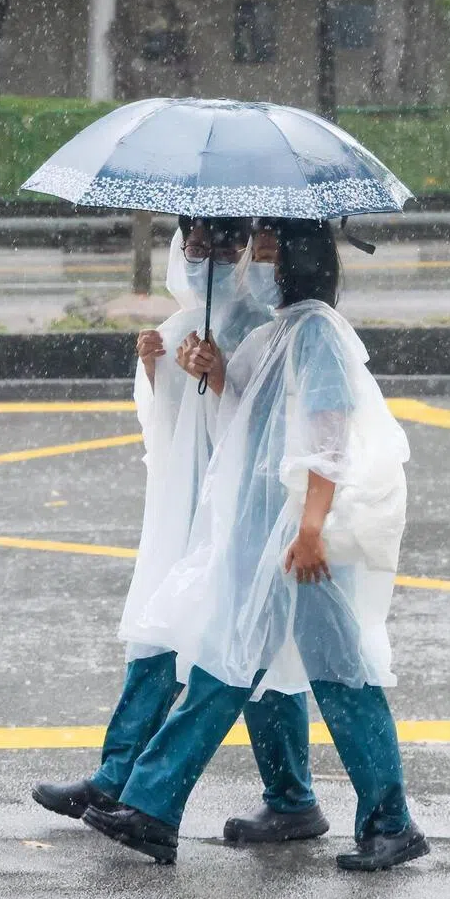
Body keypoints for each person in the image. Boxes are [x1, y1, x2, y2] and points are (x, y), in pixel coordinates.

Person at [83, 219, 429, 872]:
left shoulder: (318, 334)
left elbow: (328, 438)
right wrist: (212, 374)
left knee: (267, 668)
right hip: (266, 529)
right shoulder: (281, 332)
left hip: (295, 538)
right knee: (285, 668)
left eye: (267, 255)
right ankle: (384, 821)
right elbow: (257, 417)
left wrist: (308, 530)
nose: (253, 267)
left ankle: (156, 806)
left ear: (299, 262)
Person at [32, 217, 329, 845]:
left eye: (221, 246)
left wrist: (221, 376)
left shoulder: (265, 326)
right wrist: (154, 370)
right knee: (165, 635)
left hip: (238, 511)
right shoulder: (178, 324)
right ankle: (119, 777)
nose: (205, 259)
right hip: (186, 507)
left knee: (248, 648)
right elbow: (164, 427)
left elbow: (268, 434)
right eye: (193, 245)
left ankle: (289, 795)